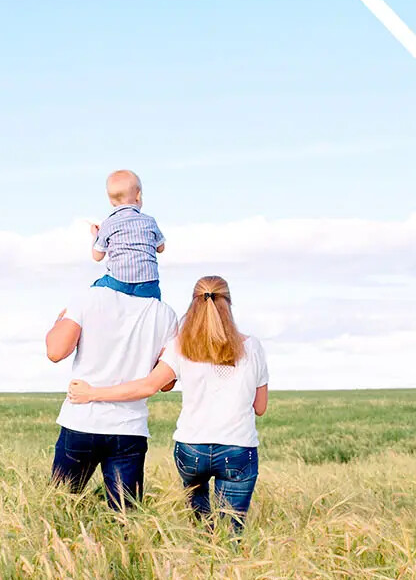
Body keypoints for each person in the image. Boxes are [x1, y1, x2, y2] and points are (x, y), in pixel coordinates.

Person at [68, 275, 268, 531]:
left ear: (194, 304)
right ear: (228, 303)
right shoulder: (253, 348)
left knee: (202, 529)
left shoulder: (181, 346)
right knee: (231, 534)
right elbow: (260, 408)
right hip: (239, 448)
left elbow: (149, 386)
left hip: (191, 449)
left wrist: (92, 393)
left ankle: (202, 554)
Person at [44, 268, 178, 510]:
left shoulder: (88, 298)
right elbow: (166, 383)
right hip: (129, 428)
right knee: (126, 520)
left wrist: (58, 323)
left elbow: (55, 352)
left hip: (82, 421)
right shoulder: (165, 314)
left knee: (58, 508)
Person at [88, 169, 166, 300]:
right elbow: (161, 248)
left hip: (119, 282)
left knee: (94, 289)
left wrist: (95, 235)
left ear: (111, 201)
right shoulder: (150, 221)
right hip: (148, 283)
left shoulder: (108, 223)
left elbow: (97, 256)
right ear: (138, 196)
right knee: (155, 298)